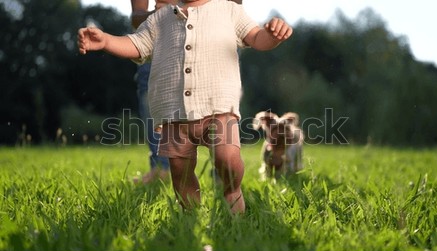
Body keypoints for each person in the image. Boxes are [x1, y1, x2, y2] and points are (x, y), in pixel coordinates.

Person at [78, 0, 292, 213]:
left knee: (227, 159)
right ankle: (190, 214)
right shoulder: (159, 18)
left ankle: (232, 192)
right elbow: (136, 44)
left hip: (218, 107)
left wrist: (272, 36)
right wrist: (106, 41)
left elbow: (256, 38)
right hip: (174, 114)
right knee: (180, 173)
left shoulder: (228, 10)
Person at [130, 0, 170, 184]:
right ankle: (161, 168)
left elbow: (235, 6)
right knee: (148, 84)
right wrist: (157, 13)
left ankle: (224, 172)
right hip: (157, 41)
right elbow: (137, 17)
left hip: (208, 40)